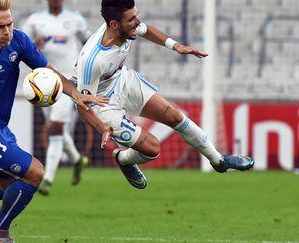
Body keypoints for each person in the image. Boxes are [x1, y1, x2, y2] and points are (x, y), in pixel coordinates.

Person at [0, 0, 108, 242]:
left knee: (9, 183)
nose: (7, 31)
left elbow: (47, 70)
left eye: (9, 24)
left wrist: (76, 94)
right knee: (35, 172)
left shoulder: (18, 40)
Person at [74, 0, 255, 189]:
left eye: (137, 15)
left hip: (120, 79)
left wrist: (175, 46)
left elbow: (147, 29)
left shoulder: (125, 26)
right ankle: (124, 158)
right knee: (152, 148)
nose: (138, 22)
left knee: (175, 116)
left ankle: (218, 160)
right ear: (114, 25)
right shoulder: (94, 61)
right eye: (133, 19)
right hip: (101, 102)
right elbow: (82, 103)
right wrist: (102, 128)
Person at [21, 0, 92, 195]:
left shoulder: (75, 20)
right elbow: (21, 46)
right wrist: (36, 44)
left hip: (68, 81)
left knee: (56, 127)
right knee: (56, 129)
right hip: (44, 82)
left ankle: (48, 179)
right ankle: (77, 160)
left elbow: (90, 42)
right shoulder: (35, 21)